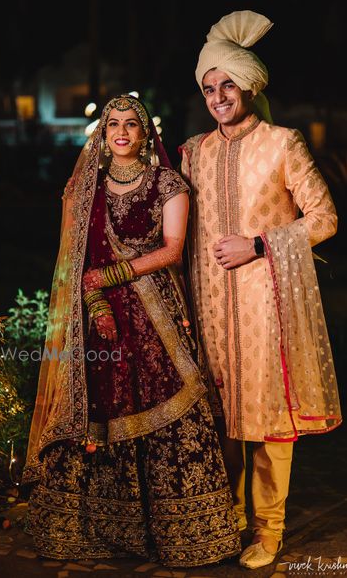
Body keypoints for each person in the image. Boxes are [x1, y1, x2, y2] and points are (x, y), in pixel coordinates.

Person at [21, 94, 241, 567]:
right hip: (100, 318)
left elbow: (173, 250)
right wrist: (97, 300)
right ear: (103, 132)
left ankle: (184, 532)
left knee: (176, 405)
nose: (121, 132)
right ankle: (107, 528)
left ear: (145, 133)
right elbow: (78, 263)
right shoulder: (86, 188)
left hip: (155, 312)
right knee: (103, 412)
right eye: (113, 124)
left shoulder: (168, 182)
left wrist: (115, 277)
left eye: (131, 124)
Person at [179, 11, 342, 569]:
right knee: (219, 420)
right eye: (209, 88)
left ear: (249, 85)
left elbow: (324, 218)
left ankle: (267, 530)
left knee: (269, 422)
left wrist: (259, 244)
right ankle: (224, 522)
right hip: (208, 309)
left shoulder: (281, 144)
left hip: (266, 305)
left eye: (228, 84)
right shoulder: (193, 152)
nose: (219, 96)